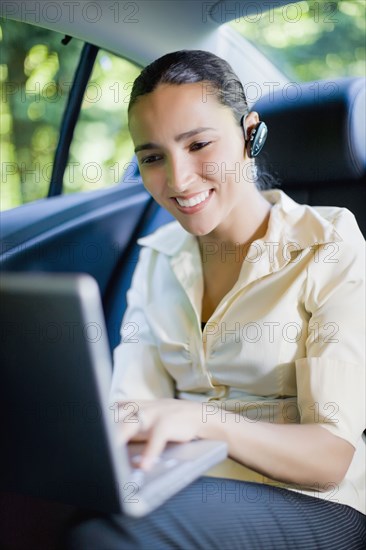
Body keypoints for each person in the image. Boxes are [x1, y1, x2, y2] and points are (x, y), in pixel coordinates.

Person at [68, 50, 366, 549]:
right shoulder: (157, 257)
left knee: (108, 538)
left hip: (316, 501)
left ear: (251, 134)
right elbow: (131, 406)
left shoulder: (330, 243)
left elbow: (330, 457)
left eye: (199, 144)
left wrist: (199, 419)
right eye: (152, 157)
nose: (179, 180)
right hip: (183, 481)